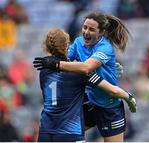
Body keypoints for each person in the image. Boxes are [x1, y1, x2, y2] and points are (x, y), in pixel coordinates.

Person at [33, 12, 133, 142]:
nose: (86, 32)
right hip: (88, 102)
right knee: (68, 130)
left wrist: (55, 63)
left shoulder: (105, 47)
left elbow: (86, 67)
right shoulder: (78, 43)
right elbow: (66, 59)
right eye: (84, 27)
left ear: (101, 32)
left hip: (109, 106)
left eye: (91, 29)